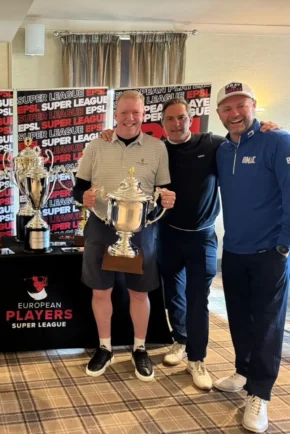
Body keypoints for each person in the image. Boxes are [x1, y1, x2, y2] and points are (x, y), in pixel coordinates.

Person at [100, 100, 280, 391]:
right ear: (162, 124)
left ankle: (197, 359)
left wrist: (266, 130)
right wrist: (108, 134)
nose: (176, 124)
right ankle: (180, 341)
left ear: (190, 118)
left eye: (181, 117)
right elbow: (128, 153)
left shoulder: (212, 144)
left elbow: (242, 142)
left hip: (202, 238)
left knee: (198, 298)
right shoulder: (158, 150)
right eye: (170, 119)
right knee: (174, 295)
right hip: (168, 234)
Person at [73, 90, 176, 382]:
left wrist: (167, 199)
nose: (130, 118)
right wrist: (84, 198)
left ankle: (139, 348)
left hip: (140, 229)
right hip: (101, 225)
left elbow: (163, 189)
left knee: (140, 292)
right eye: (124, 112)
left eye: (136, 113)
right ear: (115, 114)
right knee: (100, 291)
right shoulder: (96, 145)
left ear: (144, 114)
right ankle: (104, 347)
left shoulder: (157, 148)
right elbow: (78, 189)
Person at [214, 82, 290, 433]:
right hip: (234, 250)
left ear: (254, 106)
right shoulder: (222, 150)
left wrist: (284, 244)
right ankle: (243, 372)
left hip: (269, 253)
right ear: (219, 114)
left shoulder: (277, 141)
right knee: (239, 319)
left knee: (267, 325)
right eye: (227, 108)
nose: (235, 114)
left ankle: (260, 393)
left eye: (241, 106)